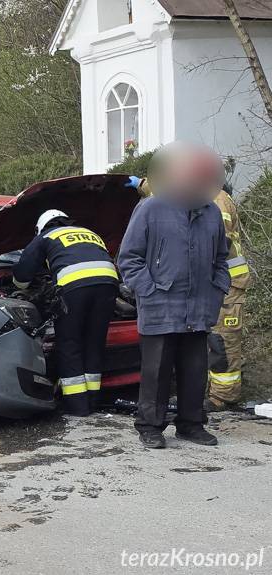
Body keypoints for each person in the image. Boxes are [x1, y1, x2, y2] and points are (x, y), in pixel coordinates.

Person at [118, 142, 229, 449]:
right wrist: (150, 291)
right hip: (160, 307)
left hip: (198, 309)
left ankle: (191, 425)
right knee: (156, 372)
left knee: (195, 372)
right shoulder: (151, 208)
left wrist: (217, 289)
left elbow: (222, 260)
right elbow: (129, 258)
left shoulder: (211, 214)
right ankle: (150, 426)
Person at [13, 209, 119, 416]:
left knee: (69, 344)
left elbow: (23, 274)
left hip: (75, 288)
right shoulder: (90, 233)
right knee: (94, 343)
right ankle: (92, 401)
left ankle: (77, 406)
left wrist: (20, 286)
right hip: (108, 285)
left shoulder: (47, 235)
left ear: (41, 227)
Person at [207, 188, 250, 410]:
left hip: (228, 284)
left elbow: (216, 237)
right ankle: (213, 390)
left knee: (223, 341)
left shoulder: (216, 198)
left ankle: (224, 396)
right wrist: (144, 185)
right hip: (218, 283)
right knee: (214, 340)